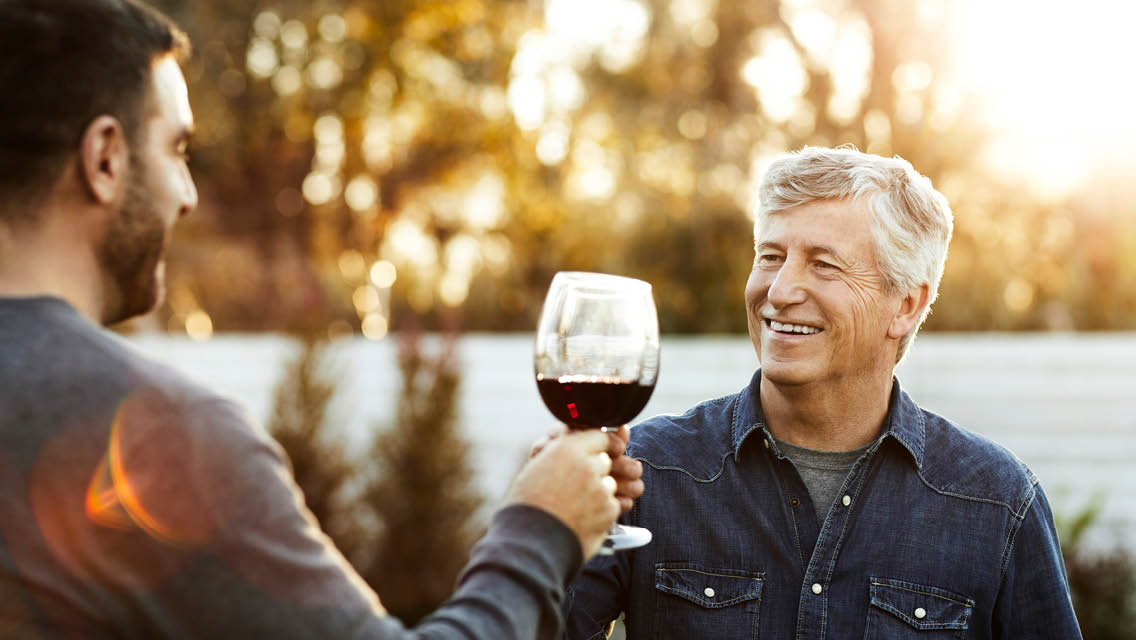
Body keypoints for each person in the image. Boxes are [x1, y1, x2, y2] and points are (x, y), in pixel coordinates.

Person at [0, 1, 642, 638]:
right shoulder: (158, 439)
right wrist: (541, 527)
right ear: (105, 158)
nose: (189, 196)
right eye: (178, 149)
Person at [564, 147, 1082, 638]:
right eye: (771, 256)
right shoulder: (645, 473)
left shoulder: (998, 502)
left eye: (824, 264)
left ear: (904, 305)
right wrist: (543, 522)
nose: (781, 290)